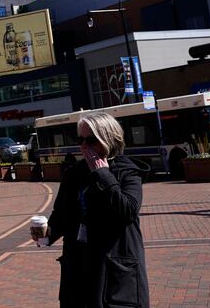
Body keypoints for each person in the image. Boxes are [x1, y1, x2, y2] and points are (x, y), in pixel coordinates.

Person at [31, 112, 150, 307]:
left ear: (109, 139)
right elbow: (61, 216)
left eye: (91, 140)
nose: (84, 146)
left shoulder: (126, 172)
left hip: (114, 269)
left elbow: (127, 211)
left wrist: (102, 174)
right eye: (80, 140)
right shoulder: (74, 174)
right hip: (79, 268)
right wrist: (48, 232)